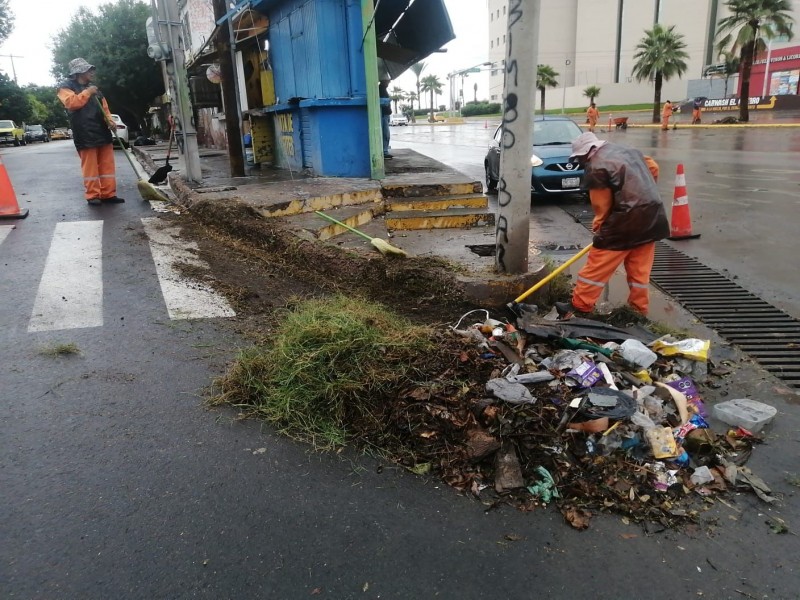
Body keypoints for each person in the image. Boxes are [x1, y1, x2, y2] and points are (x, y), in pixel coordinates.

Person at [555, 132, 670, 319]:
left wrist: (600, 225)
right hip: (651, 217)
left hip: (623, 224)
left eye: (579, 157)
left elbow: (602, 205)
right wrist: (643, 192)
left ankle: (580, 306)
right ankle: (638, 311)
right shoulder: (628, 151)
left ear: (586, 152)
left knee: (595, 267)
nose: (580, 161)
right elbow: (653, 167)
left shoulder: (596, 166)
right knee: (639, 271)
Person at [57, 58, 123, 206]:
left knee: (107, 166)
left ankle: (108, 194)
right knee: (90, 167)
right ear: (79, 72)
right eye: (88, 70)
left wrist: (110, 122)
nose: (92, 72)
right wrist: (87, 92)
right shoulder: (66, 87)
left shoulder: (95, 90)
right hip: (84, 133)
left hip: (102, 131)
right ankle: (93, 195)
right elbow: (72, 103)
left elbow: (105, 109)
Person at [378, 77, 393, 159]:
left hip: (385, 114)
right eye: (388, 81)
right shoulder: (381, 89)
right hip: (383, 114)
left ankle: (385, 150)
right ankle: (384, 151)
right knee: (385, 134)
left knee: (385, 134)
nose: (389, 83)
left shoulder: (383, 89)